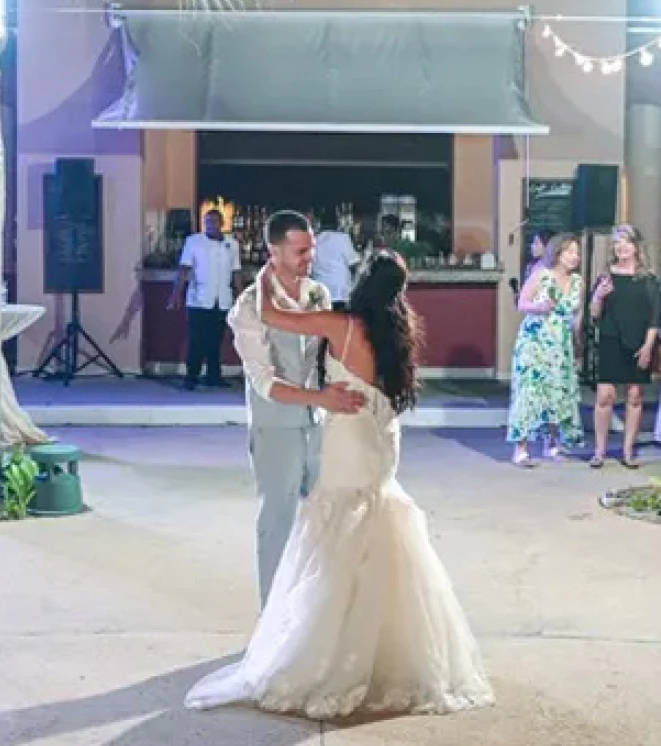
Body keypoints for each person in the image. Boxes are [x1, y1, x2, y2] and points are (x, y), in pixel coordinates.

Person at [187, 251, 493, 719]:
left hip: (347, 436)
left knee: (337, 535)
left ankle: (332, 653)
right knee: (379, 524)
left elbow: (273, 317)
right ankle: (385, 654)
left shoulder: (340, 324)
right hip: (382, 437)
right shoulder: (399, 333)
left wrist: (269, 271)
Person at [225, 210, 364, 603]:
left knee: (325, 518)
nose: (309, 259)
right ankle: (273, 614)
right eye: (300, 251)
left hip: (319, 424)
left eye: (311, 251)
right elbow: (265, 382)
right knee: (277, 521)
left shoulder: (318, 293)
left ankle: (315, 609)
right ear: (274, 250)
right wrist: (320, 398)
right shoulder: (248, 308)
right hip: (276, 426)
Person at [508, 233, 584, 466]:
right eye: (569, 251)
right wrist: (539, 307)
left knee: (557, 392)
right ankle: (520, 448)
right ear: (557, 252)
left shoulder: (578, 282)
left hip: (560, 344)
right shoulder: (542, 275)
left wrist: (577, 342)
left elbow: (575, 316)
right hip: (535, 343)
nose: (574, 257)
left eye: (577, 252)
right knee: (530, 393)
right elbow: (522, 304)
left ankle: (551, 443)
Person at [588, 224, 660, 469]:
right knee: (605, 396)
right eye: (617, 243)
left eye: (627, 242)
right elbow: (594, 315)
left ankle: (628, 450)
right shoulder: (606, 277)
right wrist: (598, 296)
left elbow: (654, 319)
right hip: (610, 340)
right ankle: (599, 451)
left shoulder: (648, 279)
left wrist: (648, 347)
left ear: (637, 247)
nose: (622, 247)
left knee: (634, 396)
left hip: (639, 342)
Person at [171, 208, 240, 391]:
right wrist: (176, 294)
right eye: (207, 221)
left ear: (222, 223)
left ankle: (213, 376)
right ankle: (191, 376)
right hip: (198, 299)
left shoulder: (232, 244)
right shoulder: (193, 242)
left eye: (214, 222)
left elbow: (236, 271)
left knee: (216, 340)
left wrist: (240, 296)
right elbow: (184, 269)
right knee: (196, 340)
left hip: (222, 299)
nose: (210, 225)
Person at [310, 209, 361, 311]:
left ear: (319, 223)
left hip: (319, 294)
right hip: (340, 293)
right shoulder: (343, 238)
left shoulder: (313, 240)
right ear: (337, 223)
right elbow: (354, 263)